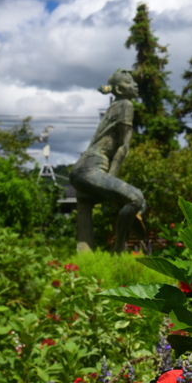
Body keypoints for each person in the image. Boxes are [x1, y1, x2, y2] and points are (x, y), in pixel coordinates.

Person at [70, 69, 147, 251]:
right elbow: (122, 149)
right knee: (136, 199)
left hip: (83, 170)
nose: (135, 85)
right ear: (119, 90)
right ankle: (118, 251)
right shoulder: (125, 105)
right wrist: (112, 186)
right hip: (90, 169)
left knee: (140, 204)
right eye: (129, 82)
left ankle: (97, 255)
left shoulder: (116, 105)